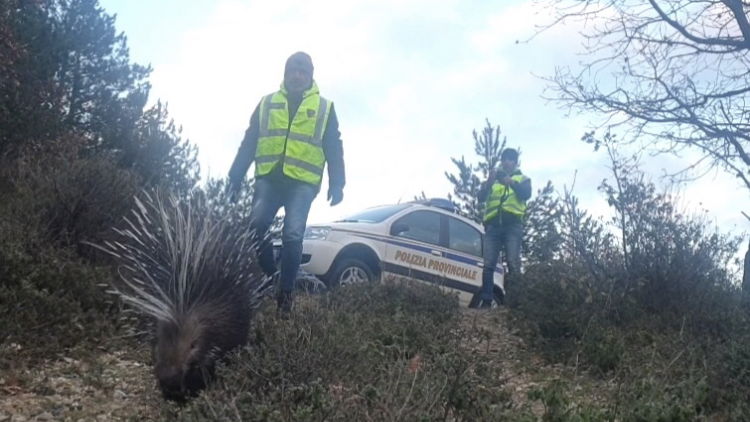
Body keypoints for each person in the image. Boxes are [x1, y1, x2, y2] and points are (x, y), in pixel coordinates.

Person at [227, 51, 345, 315]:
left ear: (310, 76)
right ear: (285, 74)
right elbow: (249, 141)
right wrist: (235, 176)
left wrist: (337, 182)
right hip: (269, 177)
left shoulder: (324, 109)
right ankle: (273, 274)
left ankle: (286, 294)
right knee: (256, 225)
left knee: (292, 233)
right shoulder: (267, 103)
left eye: (303, 72)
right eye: (293, 71)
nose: (297, 76)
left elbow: (333, 146)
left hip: (302, 183)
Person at [476, 148, 531, 308]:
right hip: (493, 227)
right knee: (488, 265)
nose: (505, 162)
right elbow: (480, 198)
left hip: (512, 227)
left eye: (509, 159)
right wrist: (489, 182)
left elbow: (526, 194)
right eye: (504, 159)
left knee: (513, 264)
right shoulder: (494, 180)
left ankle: (515, 302)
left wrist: (511, 182)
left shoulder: (523, 178)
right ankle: (486, 301)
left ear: (514, 162)